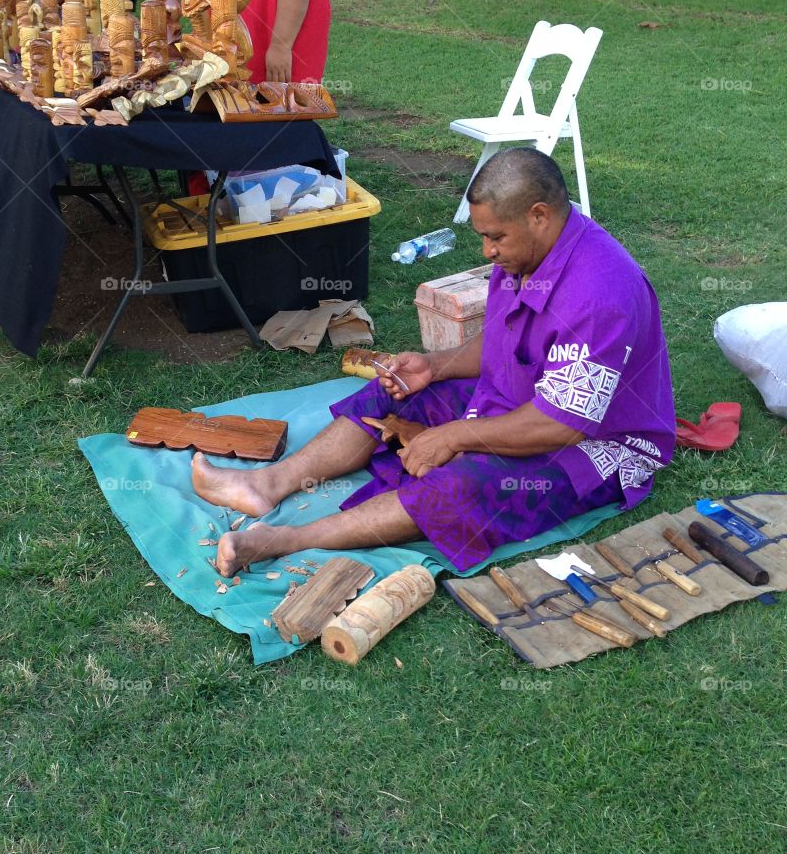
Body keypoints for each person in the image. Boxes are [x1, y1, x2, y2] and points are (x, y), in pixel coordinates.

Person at [192, 149, 675, 577]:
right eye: (483, 237)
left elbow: (559, 424)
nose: (487, 251)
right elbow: (507, 341)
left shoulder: (600, 294)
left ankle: (285, 540)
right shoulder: (526, 254)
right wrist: (434, 366)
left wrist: (453, 436)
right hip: (525, 399)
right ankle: (265, 484)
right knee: (395, 387)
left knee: (472, 483)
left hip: (599, 443)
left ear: (540, 215)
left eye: (495, 238)